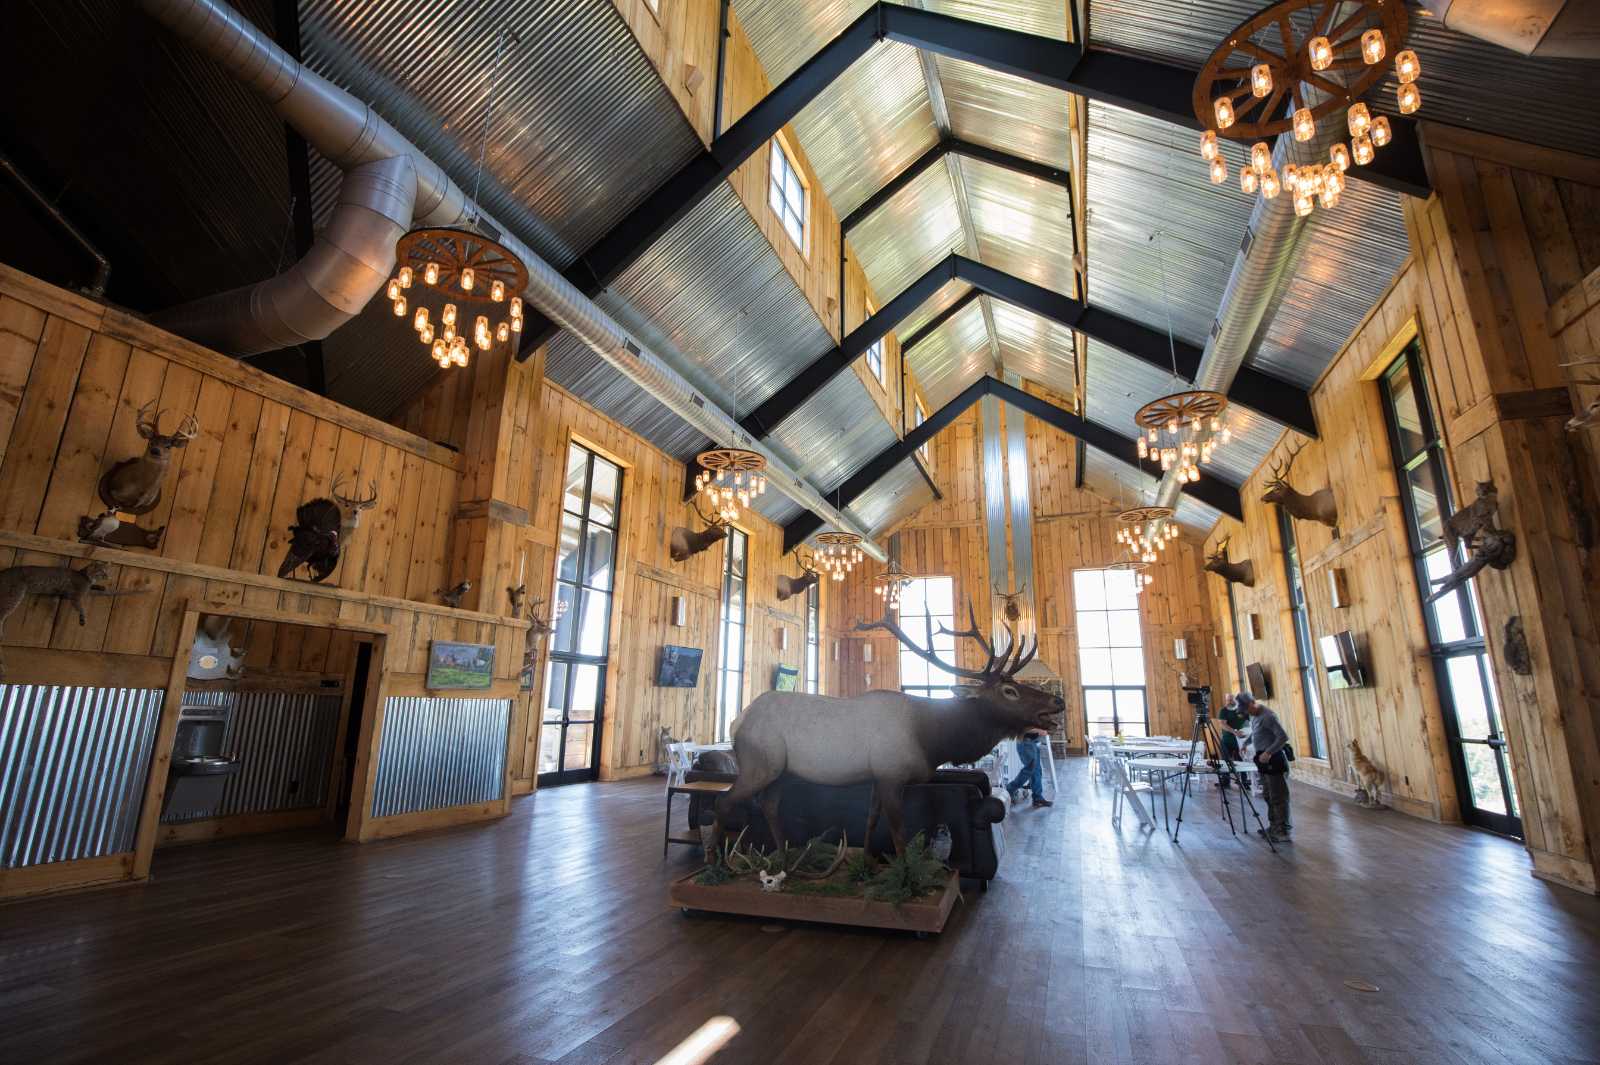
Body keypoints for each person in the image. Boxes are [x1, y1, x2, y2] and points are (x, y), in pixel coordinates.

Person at [1237, 692, 1291, 841]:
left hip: (1274, 761)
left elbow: (1283, 737)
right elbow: (1256, 733)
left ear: (1251, 703)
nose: (1245, 713)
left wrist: (1268, 752)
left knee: (1278, 797)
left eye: (1246, 709)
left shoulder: (1268, 716)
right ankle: (1273, 827)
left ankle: (1283, 831)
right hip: (1263, 761)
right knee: (1268, 796)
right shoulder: (1254, 715)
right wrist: (1246, 743)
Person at [1008, 728, 1053, 808]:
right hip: (1025, 743)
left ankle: (1037, 798)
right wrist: (1040, 731)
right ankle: (1009, 789)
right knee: (1029, 770)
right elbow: (1022, 728)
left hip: (1032, 742)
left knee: (1037, 770)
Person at [1215, 693, 1251, 790]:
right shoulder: (1223, 711)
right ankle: (1225, 781)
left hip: (1240, 741)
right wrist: (1234, 732)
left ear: (1235, 700)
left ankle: (1244, 781)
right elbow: (1222, 724)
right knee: (1225, 760)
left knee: (1241, 760)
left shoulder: (1242, 710)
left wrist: (1247, 731)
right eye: (1227, 700)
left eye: (1231, 699)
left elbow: (1250, 721)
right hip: (1227, 740)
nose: (1229, 702)